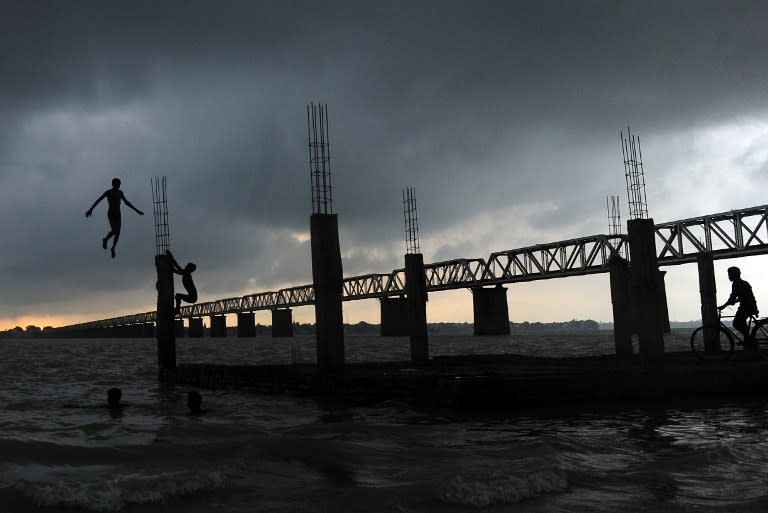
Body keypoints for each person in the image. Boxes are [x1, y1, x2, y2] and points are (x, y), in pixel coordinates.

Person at [85, 178, 144, 258]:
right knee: (115, 230)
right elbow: (98, 200)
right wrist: (91, 209)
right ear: (113, 184)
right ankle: (105, 239)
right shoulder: (108, 192)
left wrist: (137, 211)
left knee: (118, 232)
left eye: (119, 184)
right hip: (111, 214)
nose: (119, 185)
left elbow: (127, 203)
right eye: (117, 184)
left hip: (118, 215)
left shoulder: (120, 193)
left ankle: (113, 247)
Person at [718, 266, 758, 344]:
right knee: (742, 324)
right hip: (750, 306)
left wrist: (723, 306)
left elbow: (732, 298)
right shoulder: (744, 283)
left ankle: (749, 340)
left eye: (730, 274)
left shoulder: (736, 284)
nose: (729, 277)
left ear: (735, 274)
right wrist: (732, 302)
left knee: (736, 323)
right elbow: (742, 297)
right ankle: (748, 342)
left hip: (746, 307)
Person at [167, 250, 197, 315]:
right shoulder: (185, 274)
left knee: (178, 296)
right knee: (178, 296)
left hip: (192, 298)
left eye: (187, 266)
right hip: (192, 297)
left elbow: (177, 267)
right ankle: (177, 310)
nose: (185, 266)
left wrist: (171, 256)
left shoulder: (187, 274)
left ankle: (177, 310)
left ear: (190, 268)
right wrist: (170, 267)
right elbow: (176, 271)